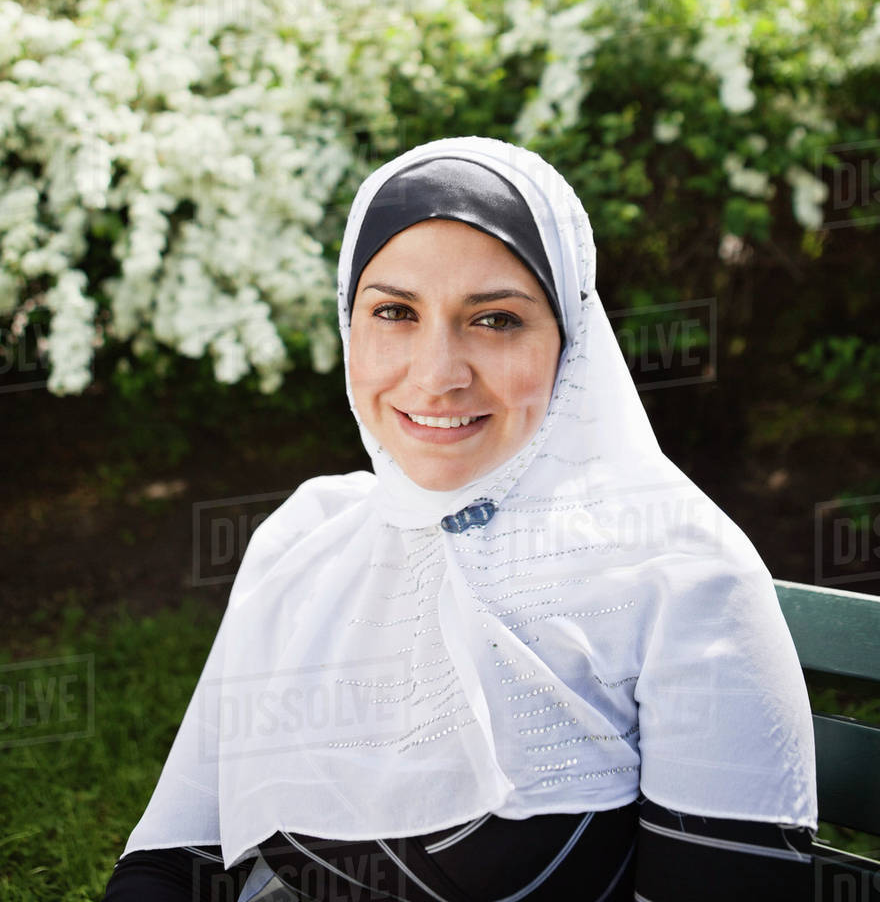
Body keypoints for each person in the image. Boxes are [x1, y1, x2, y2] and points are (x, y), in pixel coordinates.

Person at [104, 137, 818, 901]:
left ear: (568, 343)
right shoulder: (306, 536)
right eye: (394, 312)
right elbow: (175, 857)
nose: (437, 374)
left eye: (496, 320)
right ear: (351, 325)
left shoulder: (685, 575)